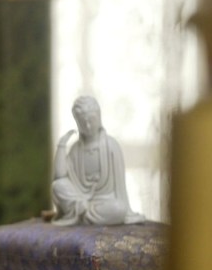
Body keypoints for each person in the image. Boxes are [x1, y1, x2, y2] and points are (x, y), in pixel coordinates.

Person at [50, 95, 144, 226]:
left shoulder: (111, 146)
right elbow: (60, 176)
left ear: (99, 118)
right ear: (77, 123)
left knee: (119, 208)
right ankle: (82, 213)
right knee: (58, 186)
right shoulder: (76, 149)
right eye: (83, 123)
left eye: (92, 120)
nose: (88, 126)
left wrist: (126, 210)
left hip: (105, 201)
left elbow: (120, 189)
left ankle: (81, 215)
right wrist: (61, 145)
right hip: (80, 200)